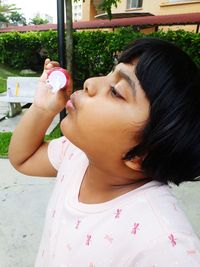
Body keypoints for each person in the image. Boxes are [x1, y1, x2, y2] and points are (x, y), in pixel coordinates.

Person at [9, 38, 200, 266]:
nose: (90, 83)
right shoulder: (78, 155)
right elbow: (23, 158)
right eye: (110, 72)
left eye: (116, 92)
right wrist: (42, 109)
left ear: (141, 154)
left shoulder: (164, 247)